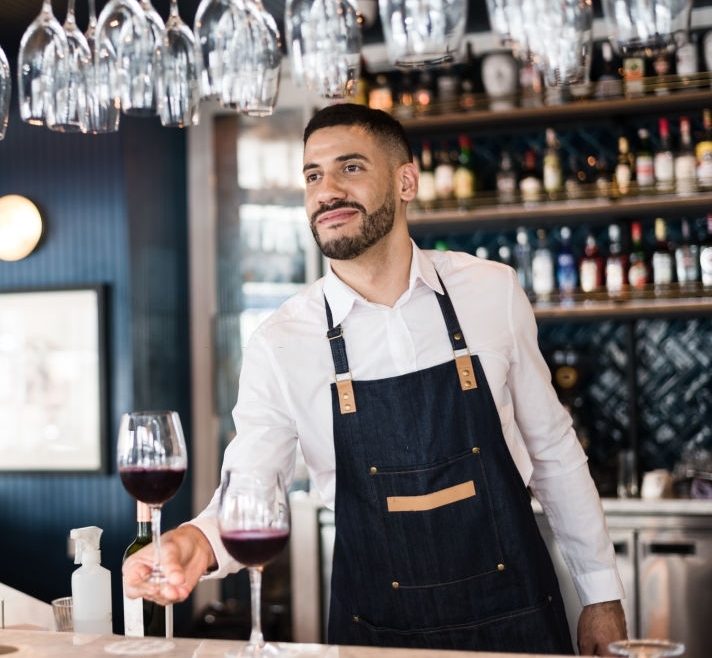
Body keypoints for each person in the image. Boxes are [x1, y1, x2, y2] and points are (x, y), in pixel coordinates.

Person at [123, 104, 628, 655]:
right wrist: (193, 543)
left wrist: (601, 598)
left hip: (517, 621)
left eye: (351, 168)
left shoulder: (491, 291)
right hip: (375, 634)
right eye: (313, 175)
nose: (327, 191)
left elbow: (553, 450)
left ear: (405, 180)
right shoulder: (282, 340)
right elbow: (251, 487)